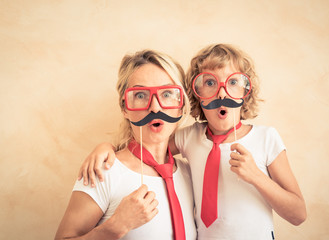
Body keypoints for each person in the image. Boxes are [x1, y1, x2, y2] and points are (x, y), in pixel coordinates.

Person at [78, 44, 307, 239]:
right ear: (194, 94)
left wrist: (257, 177)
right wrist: (105, 148)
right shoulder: (191, 137)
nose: (221, 93)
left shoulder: (266, 138)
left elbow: (298, 214)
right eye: (209, 83)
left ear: (246, 91)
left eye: (232, 82)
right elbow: (148, 143)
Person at [55, 50, 196, 239]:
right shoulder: (103, 171)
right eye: (140, 95)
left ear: (182, 104)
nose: (155, 107)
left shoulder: (191, 173)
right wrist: (115, 227)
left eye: (167, 93)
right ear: (124, 108)